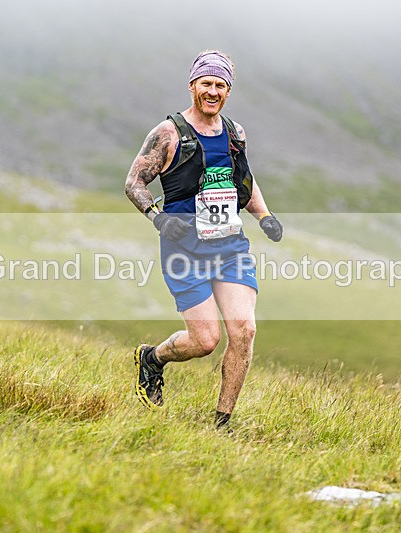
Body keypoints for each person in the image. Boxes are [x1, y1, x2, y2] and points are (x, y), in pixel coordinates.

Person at [124, 50, 283, 428]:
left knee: (244, 330)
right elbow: (134, 182)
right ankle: (153, 358)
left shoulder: (234, 132)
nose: (213, 91)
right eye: (206, 84)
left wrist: (264, 215)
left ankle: (221, 423)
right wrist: (157, 218)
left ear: (228, 90)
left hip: (229, 246)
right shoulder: (168, 133)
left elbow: (242, 179)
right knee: (205, 340)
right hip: (184, 250)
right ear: (193, 86)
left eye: (220, 85)